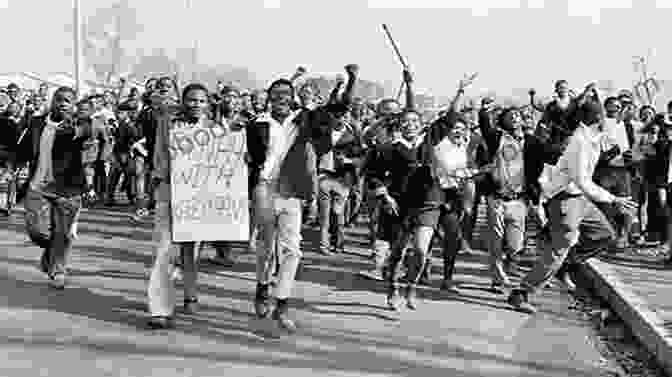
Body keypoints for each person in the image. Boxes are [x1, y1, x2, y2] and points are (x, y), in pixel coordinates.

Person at [507, 99, 637, 314]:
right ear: (597, 119)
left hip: (580, 200)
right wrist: (614, 199)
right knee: (558, 250)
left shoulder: (592, 137)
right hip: (565, 200)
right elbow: (583, 181)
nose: (609, 119)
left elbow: (612, 139)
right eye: (605, 116)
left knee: (604, 234)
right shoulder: (579, 142)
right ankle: (521, 293)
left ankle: (564, 265)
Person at [247, 77, 333, 332]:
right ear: (269, 98)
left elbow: (325, 140)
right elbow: (249, 157)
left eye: (287, 93)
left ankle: (282, 302)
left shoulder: (303, 121)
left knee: (292, 249)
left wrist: (312, 108)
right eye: (276, 94)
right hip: (264, 187)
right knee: (266, 247)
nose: (281, 98)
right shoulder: (257, 123)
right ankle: (262, 286)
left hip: (292, 191)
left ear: (293, 97)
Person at [146, 83, 213, 329]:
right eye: (191, 100)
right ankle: (160, 308)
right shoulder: (168, 123)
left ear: (208, 105)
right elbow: (160, 154)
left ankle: (190, 292)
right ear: (182, 102)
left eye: (201, 101)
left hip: (199, 195)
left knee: (190, 250)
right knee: (164, 249)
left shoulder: (216, 130)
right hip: (169, 190)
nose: (196, 104)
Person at [15, 86, 95, 289]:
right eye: (59, 99)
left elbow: (87, 131)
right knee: (37, 232)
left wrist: (76, 128)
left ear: (74, 105)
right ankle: (51, 254)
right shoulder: (37, 123)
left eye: (67, 100)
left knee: (62, 232)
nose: (62, 103)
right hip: (37, 187)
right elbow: (23, 150)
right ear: (52, 101)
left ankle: (58, 271)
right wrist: (12, 167)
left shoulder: (80, 124)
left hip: (67, 189)